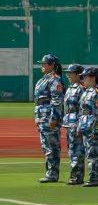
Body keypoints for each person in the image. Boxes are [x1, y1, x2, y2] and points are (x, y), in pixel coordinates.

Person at [32, 54, 64, 183]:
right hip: (42, 116)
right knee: (46, 146)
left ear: (52, 65)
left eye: (44, 63)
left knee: (52, 146)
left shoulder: (55, 80)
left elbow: (57, 100)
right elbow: (38, 101)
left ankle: (52, 174)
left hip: (49, 117)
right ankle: (50, 172)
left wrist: (54, 118)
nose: (42, 65)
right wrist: (37, 117)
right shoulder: (44, 79)